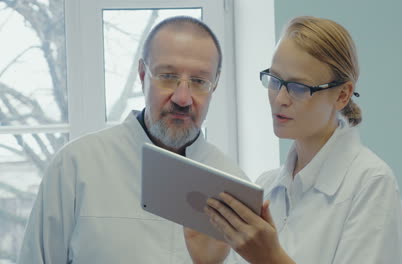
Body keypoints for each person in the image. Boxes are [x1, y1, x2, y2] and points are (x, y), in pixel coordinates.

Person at [17, 16, 247, 264]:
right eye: (168, 76)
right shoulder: (77, 166)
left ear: (215, 85)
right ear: (142, 74)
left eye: (199, 81)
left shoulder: (234, 189)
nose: (183, 97)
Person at [185, 16, 402, 264]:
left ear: (342, 94)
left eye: (299, 88)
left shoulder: (371, 183)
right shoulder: (267, 186)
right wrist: (208, 262)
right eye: (275, 80)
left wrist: (270, 258)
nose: (280, 98)